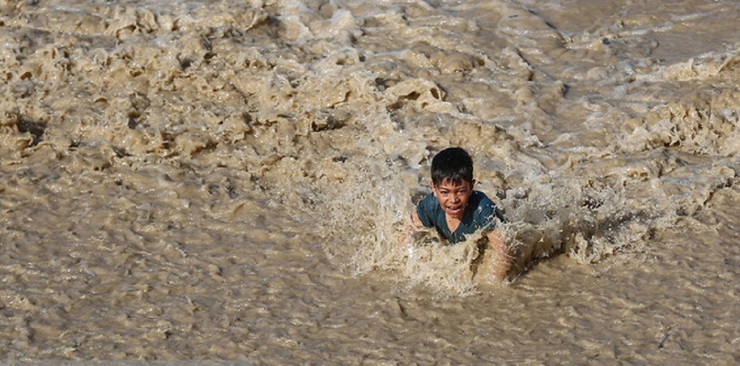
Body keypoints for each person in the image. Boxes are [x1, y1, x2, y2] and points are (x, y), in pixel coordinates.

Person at [405, 147, 511, 280]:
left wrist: (492, 284)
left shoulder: (483, 210)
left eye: (460, 191)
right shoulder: (430, 206)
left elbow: (504, 253)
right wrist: (411, 264)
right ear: (434, 188)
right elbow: (408, 231)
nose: (453, 200)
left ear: (471, 187)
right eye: (444, 192)